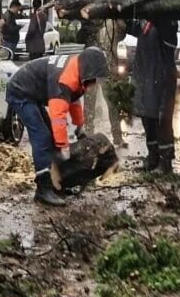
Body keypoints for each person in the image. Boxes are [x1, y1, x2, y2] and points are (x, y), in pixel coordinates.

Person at [6, 47, 109, 206]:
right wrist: (64, 147)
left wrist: (79, 126)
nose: (95, 84)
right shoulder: (65, 80)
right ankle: (43, 189)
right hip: (20, 92)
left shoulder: (77, 71)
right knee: (42, 137)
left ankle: (56, 184)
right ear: (88, 71)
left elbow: (73, 101)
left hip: (32, 93)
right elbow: (58, 117)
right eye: (94, 79)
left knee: (51, 136)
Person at [128, 17, 179, 172]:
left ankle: (166, 161)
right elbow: (131, 28)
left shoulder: (168, 23)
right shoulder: (145, 24)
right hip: (145, 78)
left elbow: (169, 37)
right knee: (148, 118)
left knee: (163, 120)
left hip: (162, 79)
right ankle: (153, 156)